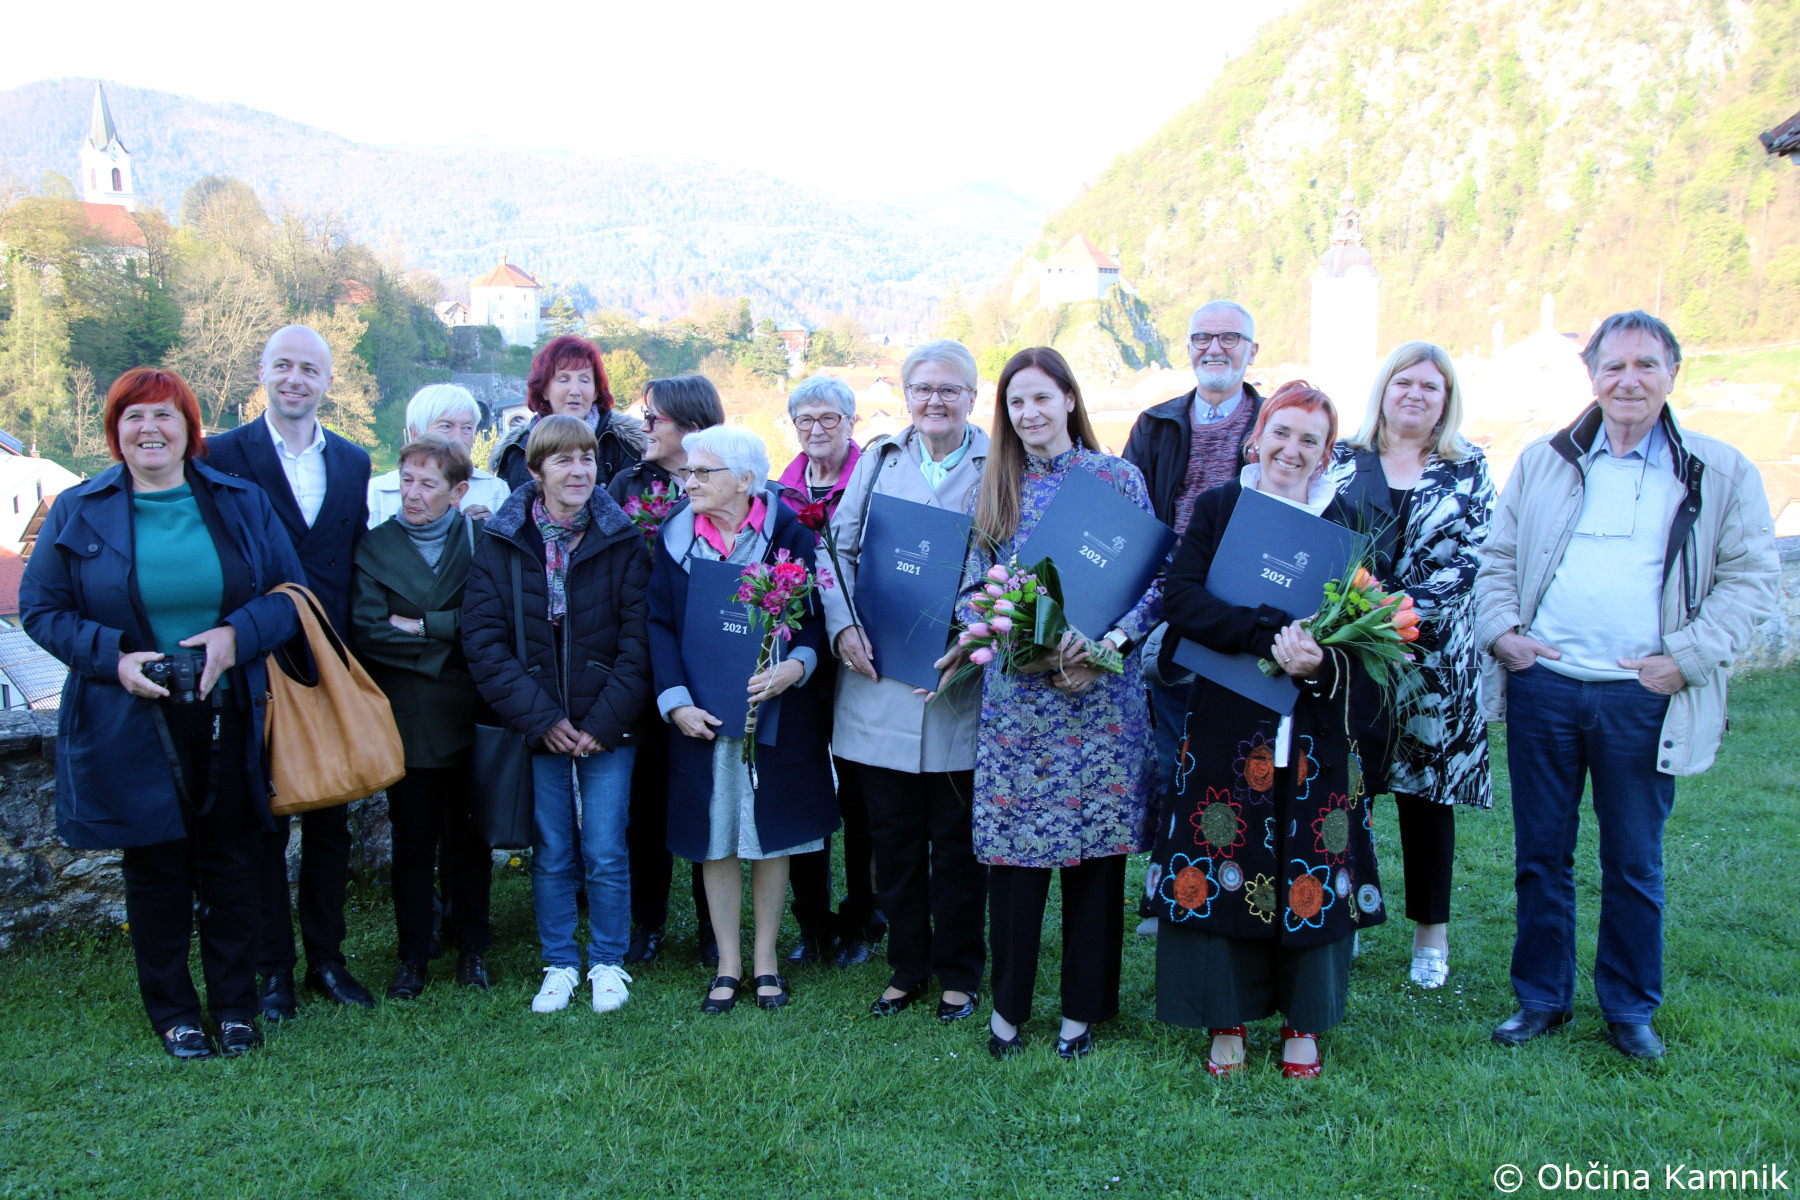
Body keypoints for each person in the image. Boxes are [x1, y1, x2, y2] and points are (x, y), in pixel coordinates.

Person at [1476, 311, 1779, 1060]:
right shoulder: (1545, 460)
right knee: (1541, 856)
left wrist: (1687, 657)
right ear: (1593, 376)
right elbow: (1498, 557)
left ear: (1674, 374)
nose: (1629, 380)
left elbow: (1751, 578)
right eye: (1614, 366)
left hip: (1642, 696)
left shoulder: (1718, 469)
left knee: (1634, 860)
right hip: (1545, 685)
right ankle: (1542, 999)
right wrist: (1503, 633)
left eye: (1646, 365)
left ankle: (1629, 1007)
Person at [21, 368, 304, 1059]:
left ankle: (237, 1008)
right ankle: (175, 1013)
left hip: (228, 709)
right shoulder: (78, 510)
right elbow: (41, 610)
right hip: (130, 717)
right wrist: (111, 657)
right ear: (116, 432)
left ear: (189, 428)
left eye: (164, 416)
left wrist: (237, 636)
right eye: (133, 418)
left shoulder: (240, 502)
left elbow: (290, 595)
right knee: (155, 870)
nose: (150, 430)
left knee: (234, 866)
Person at [1150, 380, 1390, 1079]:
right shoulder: (1222, 505)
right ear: (1258, 436)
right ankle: (1226, 1017)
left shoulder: (1348, 521)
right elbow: (1182, 598)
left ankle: (1302, 1023)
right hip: (1229, 718)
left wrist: (1318, 661)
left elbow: (1369, 640)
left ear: (1325, 454)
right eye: (1281, 433)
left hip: (1313, 730)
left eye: (1309, 440)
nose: (1292, 449)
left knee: (1308, 862)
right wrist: (1267, 632)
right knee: (1228, 856)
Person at [944, 347, 1159, 1061]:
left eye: (1042, 398)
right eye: (1016, 403)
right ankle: (1008, 1007)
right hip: (1023, 703)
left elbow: (1155, 580)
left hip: (1100, 695)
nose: (1029, 413)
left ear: (1069, 399)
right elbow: (974, 589)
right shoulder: (995, 487)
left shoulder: (1116, 479)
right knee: (1016, 858)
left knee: (1096, 856)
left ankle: (1081, 1010)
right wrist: (1016, 638)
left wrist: (1108, 645)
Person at [205, 324, 374, 1019]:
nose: (295, 379)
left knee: (334, 817)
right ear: (263, 373)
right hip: (255, 661)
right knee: (263, 825)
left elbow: (355, 557)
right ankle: (274, 969)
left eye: (309, 368)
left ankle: (327, 962)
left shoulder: (357, 461)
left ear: (327, 380)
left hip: (331, 660)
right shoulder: (221, 455)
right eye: (283, 366)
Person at [823, 339, 991, 1020]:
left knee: (955, 843)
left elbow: (1009, 559)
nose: (934, 400)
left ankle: (958, 970)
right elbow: (837, 547)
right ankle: (905, 966)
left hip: (955, 684)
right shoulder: (880, 461)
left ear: (972, 398)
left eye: (949, 389)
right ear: (906, 395)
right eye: (922, 388)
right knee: (891, 841)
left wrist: (972, 631)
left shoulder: (995, 464)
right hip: (880, 677)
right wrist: (843, 628)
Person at [463, 415, 653, 1016]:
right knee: (551, 849)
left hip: (607, 722)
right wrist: (541, 718)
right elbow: (484, 640)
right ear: (537, 470)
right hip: (538, 722)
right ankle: (560, 963)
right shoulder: (504, 539)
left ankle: (607, 961)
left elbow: (640, 639)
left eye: (588, 460)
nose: (579, 471)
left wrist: (601, 721)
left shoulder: (621, 538)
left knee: (604, 846)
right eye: (564, 460)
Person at [646, 426, 839, 1013]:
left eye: (703, 473)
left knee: (769, 835)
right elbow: (659, 622)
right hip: (703, 716)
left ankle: (766, 962)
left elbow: (812, 618)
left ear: (746, 480)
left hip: (774, 713)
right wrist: (675, 700)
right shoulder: (675, 537)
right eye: (688, 473)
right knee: (716, 838)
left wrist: (796, 668)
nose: (689, 482)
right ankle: (728, 964)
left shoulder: (791, 534)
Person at [1325, 342, 1494, 989]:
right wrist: (1356, 616)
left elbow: (1471, 564)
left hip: (1433, 669)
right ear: (1384, 390)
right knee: (1344, 794)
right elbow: (1322, 549)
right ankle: (1350, 913)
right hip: (1351, 662)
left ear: (1446, 399)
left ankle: (1431, 940)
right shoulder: (1343, 461)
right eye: (1405, 383)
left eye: (1432, 386)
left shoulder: (1469, 466)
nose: (1417, 395)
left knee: (1428, 805)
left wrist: (1388, 611)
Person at [1123, 300, 1265, 937]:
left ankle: (1235, 882)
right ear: (1187, 347)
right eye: (1203, 337)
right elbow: (1129, 520)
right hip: (1166, 612)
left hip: (1243, 618)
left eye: (1230, 338)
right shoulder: (1156, 424)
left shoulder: (1274, 423)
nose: (1216, 348)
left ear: (1251, 351)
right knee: (1170, 756)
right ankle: (1167, 890)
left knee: (1237, 757)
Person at [351, 437, 494, 999]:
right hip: (406, 715)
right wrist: (449, 637)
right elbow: (367, 630)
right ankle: (412, 956)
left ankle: (473, 949)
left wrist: (421, 626)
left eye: (427, 483)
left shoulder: (481, 540)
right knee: (411, 840)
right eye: (406, 480)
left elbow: (491, 618)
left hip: (473, 714)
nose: (413, 493)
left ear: (459, 492)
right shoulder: (374, 547)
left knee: (471, 837)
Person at [607, 374, 726, 966]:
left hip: (709, 657)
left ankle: (713, 927)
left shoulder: (728, 480)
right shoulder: (626, 484)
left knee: (705, 791)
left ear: (692, 426)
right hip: (643, 655)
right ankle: (647, 922)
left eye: (654, 417)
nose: (644, 426)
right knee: (646, 799)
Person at [773, 373, 879, 968]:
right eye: (805, 420)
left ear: (850, 423)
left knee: (862, 796)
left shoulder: (875, 480)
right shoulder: (779, 492)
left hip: (864, 654)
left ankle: (865, 913)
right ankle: (812, 922)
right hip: (803, 662)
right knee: (806, 789)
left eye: (828, 419)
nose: (816, 430)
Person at [492, 334, 645, 495]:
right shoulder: (517, 449)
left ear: (595, 391)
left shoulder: (623, 445)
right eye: (563, 379)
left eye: (584, 380)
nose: (575, 391)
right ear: (544, 389)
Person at [367, 384, 511, 526]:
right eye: (446, 426)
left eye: (467, 428)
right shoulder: (377, 493)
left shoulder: (495, 490)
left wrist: (492, 532)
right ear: (415, 433)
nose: (457, 438)